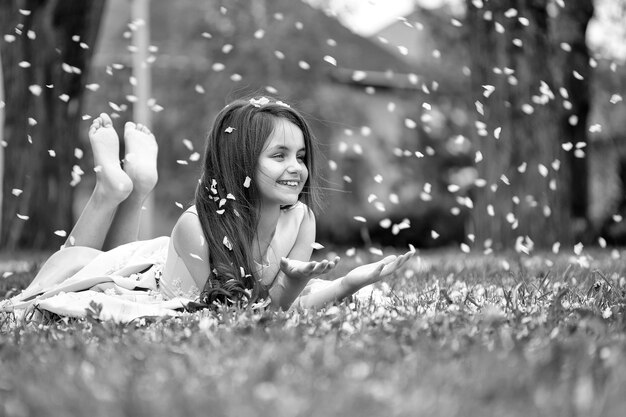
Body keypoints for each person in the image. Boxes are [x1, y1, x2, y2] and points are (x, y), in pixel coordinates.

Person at [1, 97, 415, 322]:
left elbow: (270, 309)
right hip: (151, 280)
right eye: (280, 155)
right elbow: (236, 315)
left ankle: (133, 186)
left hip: (167, 263)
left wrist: (347, 283)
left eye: (301, 156)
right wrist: (294, 289)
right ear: (241, 162)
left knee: (99, 257)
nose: (297, 168)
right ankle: (111, 190)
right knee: (79, 262)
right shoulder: (194, 229)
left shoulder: (301, 219)